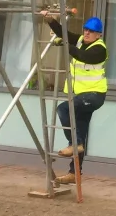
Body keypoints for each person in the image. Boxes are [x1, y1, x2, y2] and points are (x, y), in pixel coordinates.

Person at [40, 12, 108, 184]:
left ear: (98, 35)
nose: (86, 33)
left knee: (63, 109)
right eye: (85, 29)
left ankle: (73, 144)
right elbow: (63, 33)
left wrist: (64, 45)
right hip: (82, 95)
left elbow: (82, 56)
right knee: (81, 132)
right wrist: (50, 20)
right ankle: (74, 172)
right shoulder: (79, 40)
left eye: (91, 31)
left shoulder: (100, 49)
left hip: (94, 95)